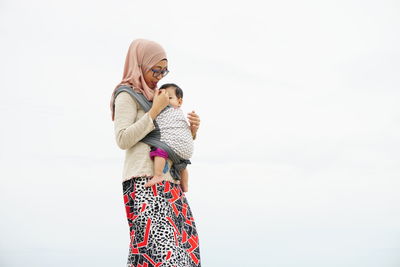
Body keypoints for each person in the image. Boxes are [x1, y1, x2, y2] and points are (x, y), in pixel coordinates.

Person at [109, 39, 201, 267]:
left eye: (164, 70)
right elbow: (122, 139)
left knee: (185, 254)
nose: (160, 75)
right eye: (155, 69)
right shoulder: (127, 95)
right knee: (159, 254)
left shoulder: (158, 95)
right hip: (144, 181)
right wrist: (155, 111)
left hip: (170, 182)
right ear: (140, 64)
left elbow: (170, 136)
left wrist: (193, 130)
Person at [146, 83, 193, 193]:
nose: (165, 102)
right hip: (186, 149)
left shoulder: (168, 111)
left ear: (179, 101)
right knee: (183, 166)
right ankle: (185, 185)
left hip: (176, 144)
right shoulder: (180, 113)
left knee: (159, 151)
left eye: (170, 98)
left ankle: (158, 175)